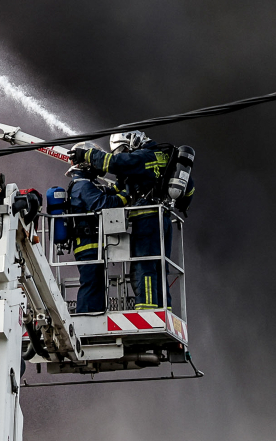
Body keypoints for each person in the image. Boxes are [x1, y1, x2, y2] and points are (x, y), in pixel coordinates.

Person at [70, 132, 195, 310]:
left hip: (147, 219)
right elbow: (125, 185)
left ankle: (148, 310)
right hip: (162, 219)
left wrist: (87, 155)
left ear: (132, 141)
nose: (122, 155)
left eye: (122, 150)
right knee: (160, 268)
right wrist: (107, 193)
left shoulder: (142, 157)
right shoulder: (162, 158)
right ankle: (163, 309)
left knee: (144, 267)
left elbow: (116, 164)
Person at [65, 161, 128, 313]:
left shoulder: (85, 184)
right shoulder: (83, 185)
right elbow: (101, 202)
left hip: (91, 244)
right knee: (91, 283)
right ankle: (85, 317)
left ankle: (95, 313)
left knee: (96, 283)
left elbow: (104, 193)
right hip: (88, 244)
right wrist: (125, 197)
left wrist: (120, 185)